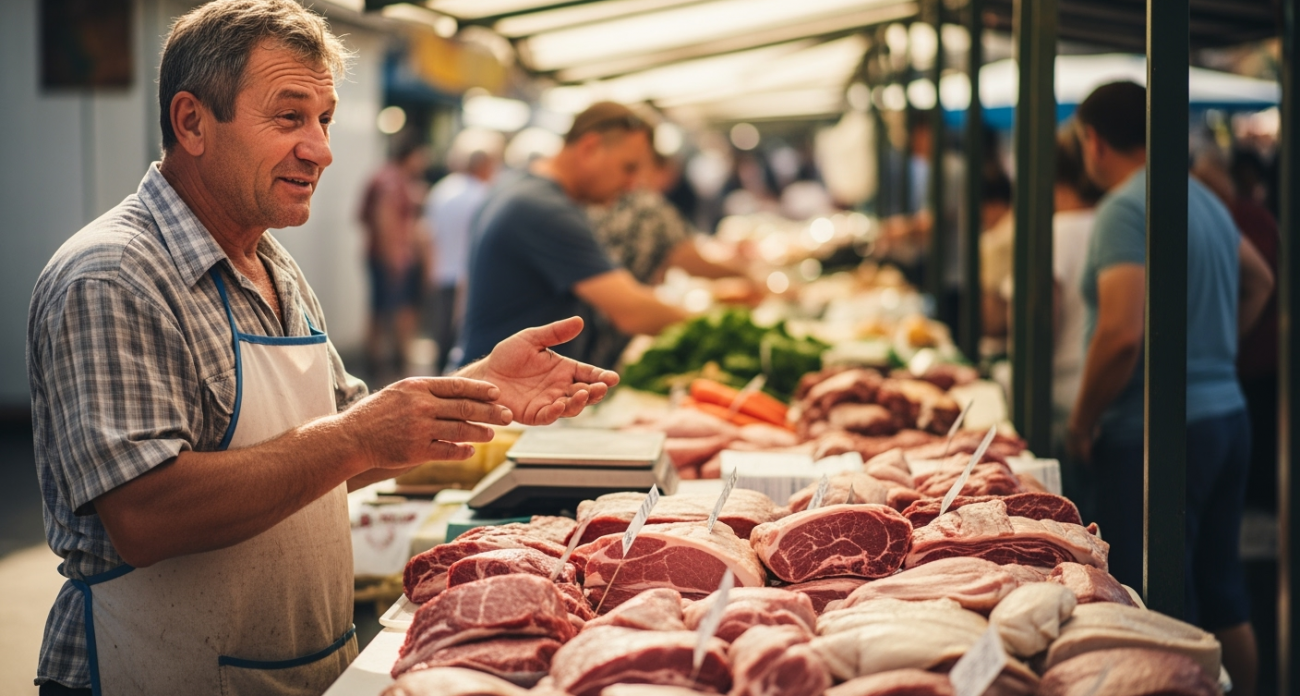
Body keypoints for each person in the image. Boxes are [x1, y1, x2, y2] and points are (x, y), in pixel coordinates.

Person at [25, 3, 617, 695]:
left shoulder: (270, 263)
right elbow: (146, 516)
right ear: (191, 123)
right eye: (289, 117)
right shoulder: (114, 275)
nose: (321, 148)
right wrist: (360, 436)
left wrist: (480, 385)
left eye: (325, 119)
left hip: (296, 667)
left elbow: (339, 452)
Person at [1066, 81, 1273, 696]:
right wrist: (1212, 353)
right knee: (1224, 588)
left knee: (1153, 604)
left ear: (1094, 141)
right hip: (1225, 418)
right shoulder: (1201, 198)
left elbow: (1121, 334)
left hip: (1157, 435)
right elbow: (1260, 279)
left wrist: (1082, 421)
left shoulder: (1126, 208)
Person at [456, 102, 689, 367]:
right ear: (589, 148)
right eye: (628, 168)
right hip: (496, 397)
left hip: (489, 383)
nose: (632, 184)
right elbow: (631, 311)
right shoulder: (545, 211)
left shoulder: (519, 186)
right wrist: (704, 320)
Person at [585, 149, 757, 366]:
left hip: (593, 335)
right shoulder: (645, 205)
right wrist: (753, 278)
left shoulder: (600, 204)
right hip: (598, 338)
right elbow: (692, 262)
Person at [1192, 147, 1280, 513]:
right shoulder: (1229, 216)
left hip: (1251, 361)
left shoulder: (1238, 217)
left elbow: (1261, 281)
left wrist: (1227, 336)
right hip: (1236, 372)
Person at [1049, 126, 1103, 518]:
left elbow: (1044, 322)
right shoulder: (1113, 221)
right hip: (1110, 391)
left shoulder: (1057, 232)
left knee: (1075, 515)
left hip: (1067, 395)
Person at [423, 146, 498, 373]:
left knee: (440, 335)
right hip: (469, 276)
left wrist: (429, 269)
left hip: (441, 271)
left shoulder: (442, 190)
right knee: (462, 338)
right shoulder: (484, 194)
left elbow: (426, 234)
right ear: (484, 167)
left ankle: (436, 382)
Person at [359, 134, 428, 379]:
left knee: (380, 310)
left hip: (385, 255)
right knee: (396, 311)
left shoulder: (389, 178)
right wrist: (393, 259)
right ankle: (393, 368)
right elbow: (384, 220)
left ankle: (380, 364)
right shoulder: (391, 181)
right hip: (391, 258)